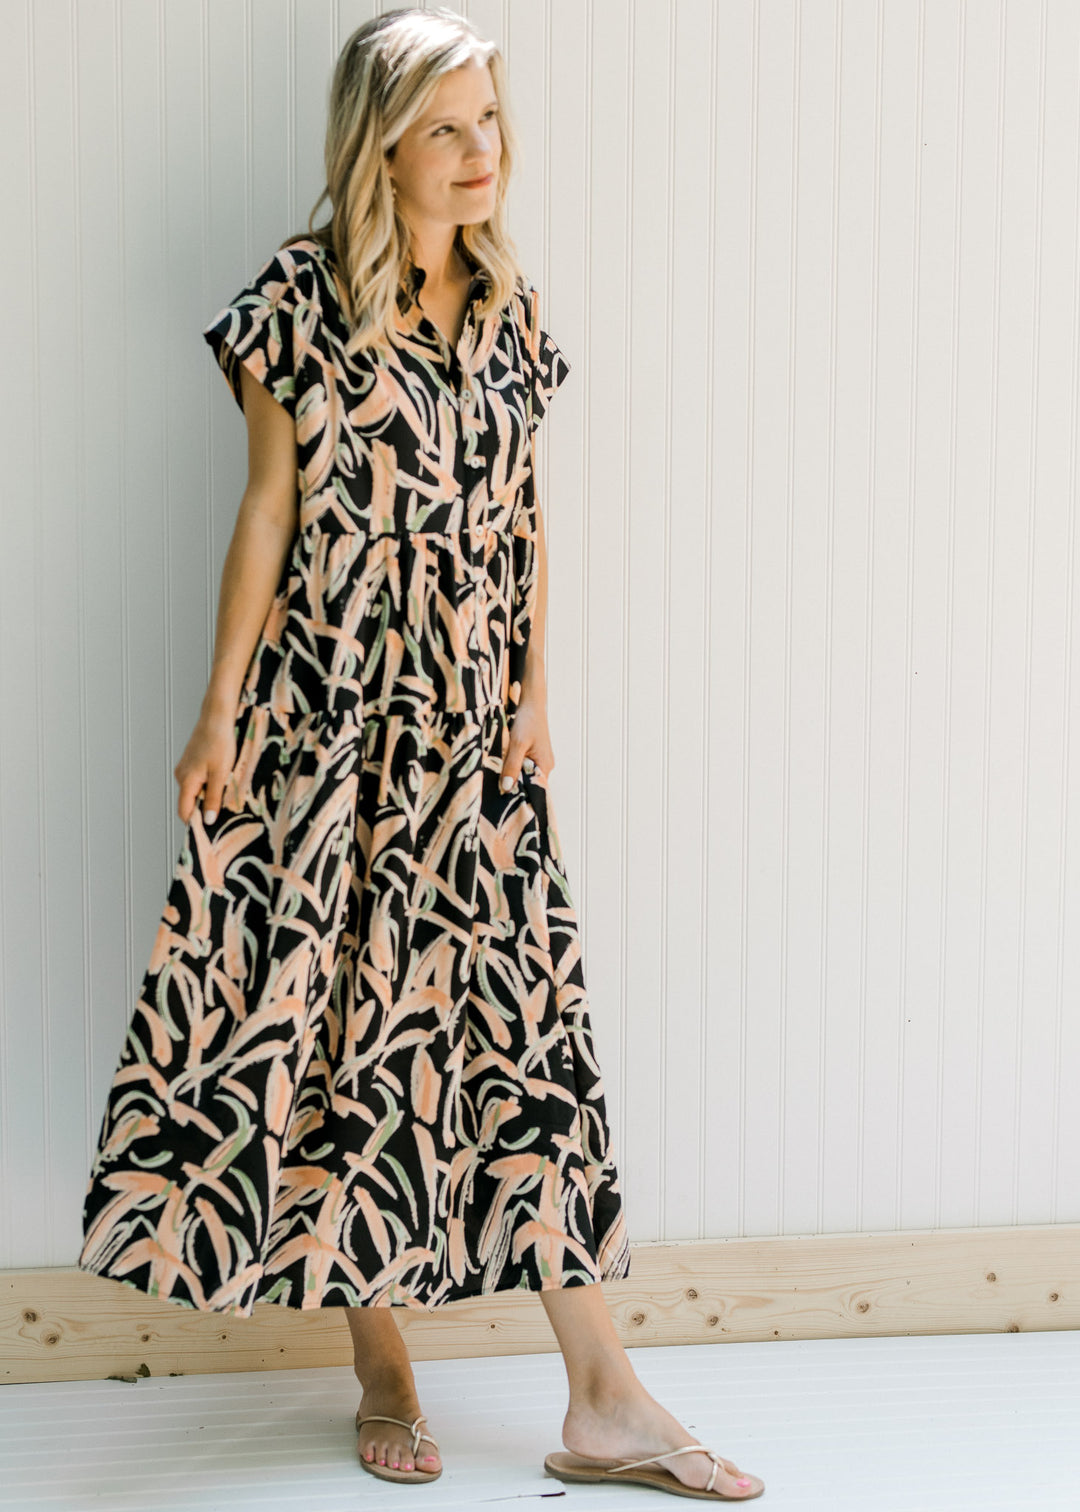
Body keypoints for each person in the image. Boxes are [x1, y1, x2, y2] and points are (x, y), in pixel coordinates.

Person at [76, 8, 763, 1502]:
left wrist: (530, 687)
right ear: (378, 142)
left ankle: (606, 1395)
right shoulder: (295, 305)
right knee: (334, 1037)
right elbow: (266, 511)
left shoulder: (512, 311)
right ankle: (380, 1361)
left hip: (470, 738)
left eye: (493, 124)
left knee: (529, 1048)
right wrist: (214, 711)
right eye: (450, 128)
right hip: (320, 727)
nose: (481, 156)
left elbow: (520, 514)